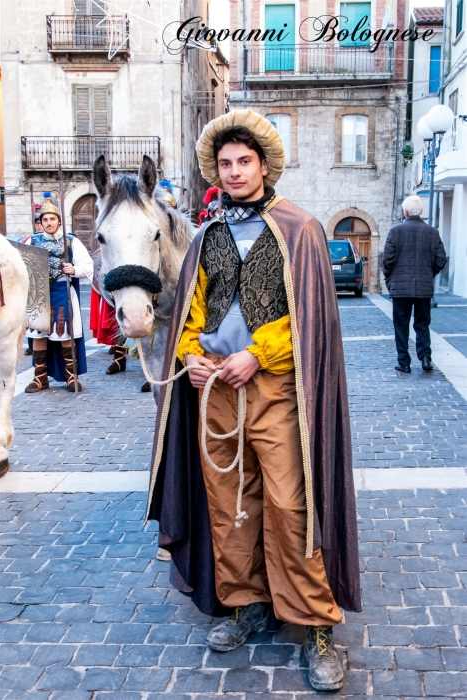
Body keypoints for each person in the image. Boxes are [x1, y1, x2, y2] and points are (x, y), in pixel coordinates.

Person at [147, 109, 361, 692]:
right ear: (216, 172)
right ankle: (245, 601)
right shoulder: (209, 234)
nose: (235, 171)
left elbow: (310, 321)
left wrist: (258, 355)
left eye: (244, 162)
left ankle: (315, 621)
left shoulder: (299, 228)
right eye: (226, 164)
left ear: (264, 166)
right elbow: (194, 311)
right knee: (229, 502)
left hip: (277, 389)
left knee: (293, 504)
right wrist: (192, 353)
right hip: (214, 387)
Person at [25, 200, 93, 393]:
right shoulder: (33, 241)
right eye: (45, 219)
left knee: (65, 334)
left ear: (59, 221)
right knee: (39, 334)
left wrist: (74, 269)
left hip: (62, 291)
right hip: (39, 295)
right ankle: (40, 378)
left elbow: (88, 266)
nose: (48, 222)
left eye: (52, 219)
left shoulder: (71, 241)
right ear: (41, 222)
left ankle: (71, 377)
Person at [383, 195, 447, 374]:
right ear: (421, 212)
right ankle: (425, 357)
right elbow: (441, 259)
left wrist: (390, 277)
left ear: (405, 212)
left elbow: (387, 259)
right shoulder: (432, 232)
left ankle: (404, 361)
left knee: (401, 325)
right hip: (423, 287)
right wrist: (428, 273)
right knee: (422, 323)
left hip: (400, 288)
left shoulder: (395, 231)